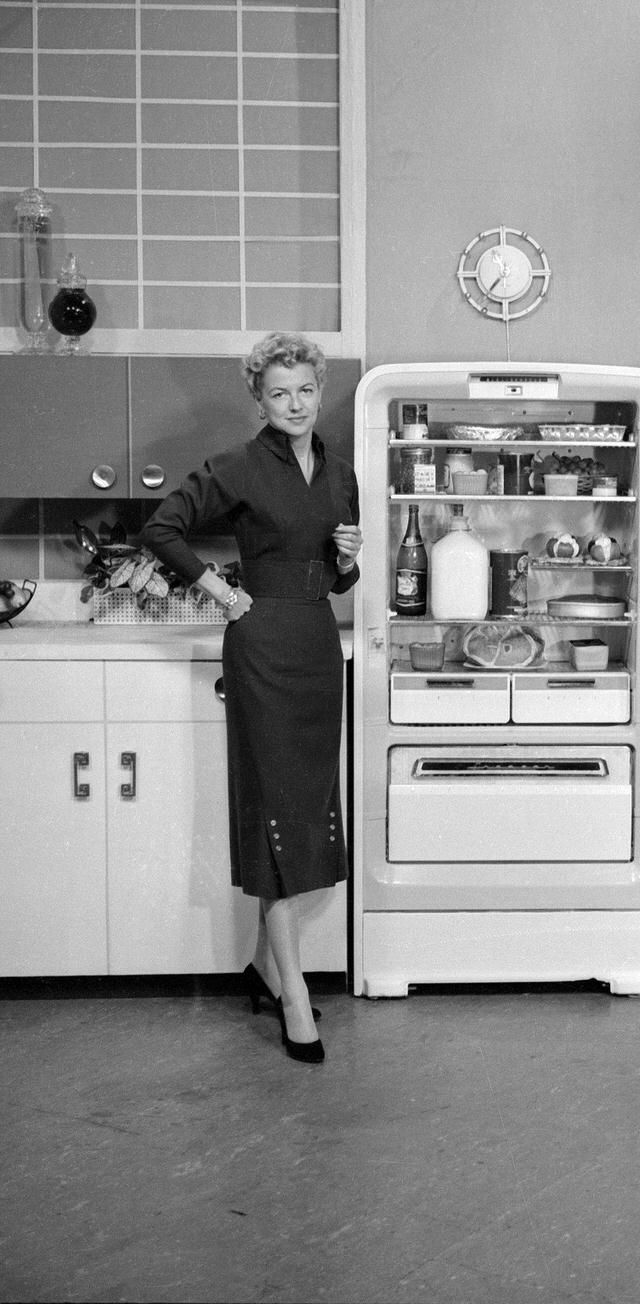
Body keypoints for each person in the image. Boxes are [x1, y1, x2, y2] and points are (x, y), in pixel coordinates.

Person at [142, 331, 361, 1064]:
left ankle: (267, 969)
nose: (294, 405)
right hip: (262, 644)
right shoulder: (238, 465)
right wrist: (220, 593)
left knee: (308, 809)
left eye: (305, 390)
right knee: (275, 809)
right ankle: (293, 996)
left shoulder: (340, 472)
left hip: (316, 644)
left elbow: (333, 578)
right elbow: (161, 529)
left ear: (319, 391)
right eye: (279, 393)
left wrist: (347, 563)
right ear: (258, 399)